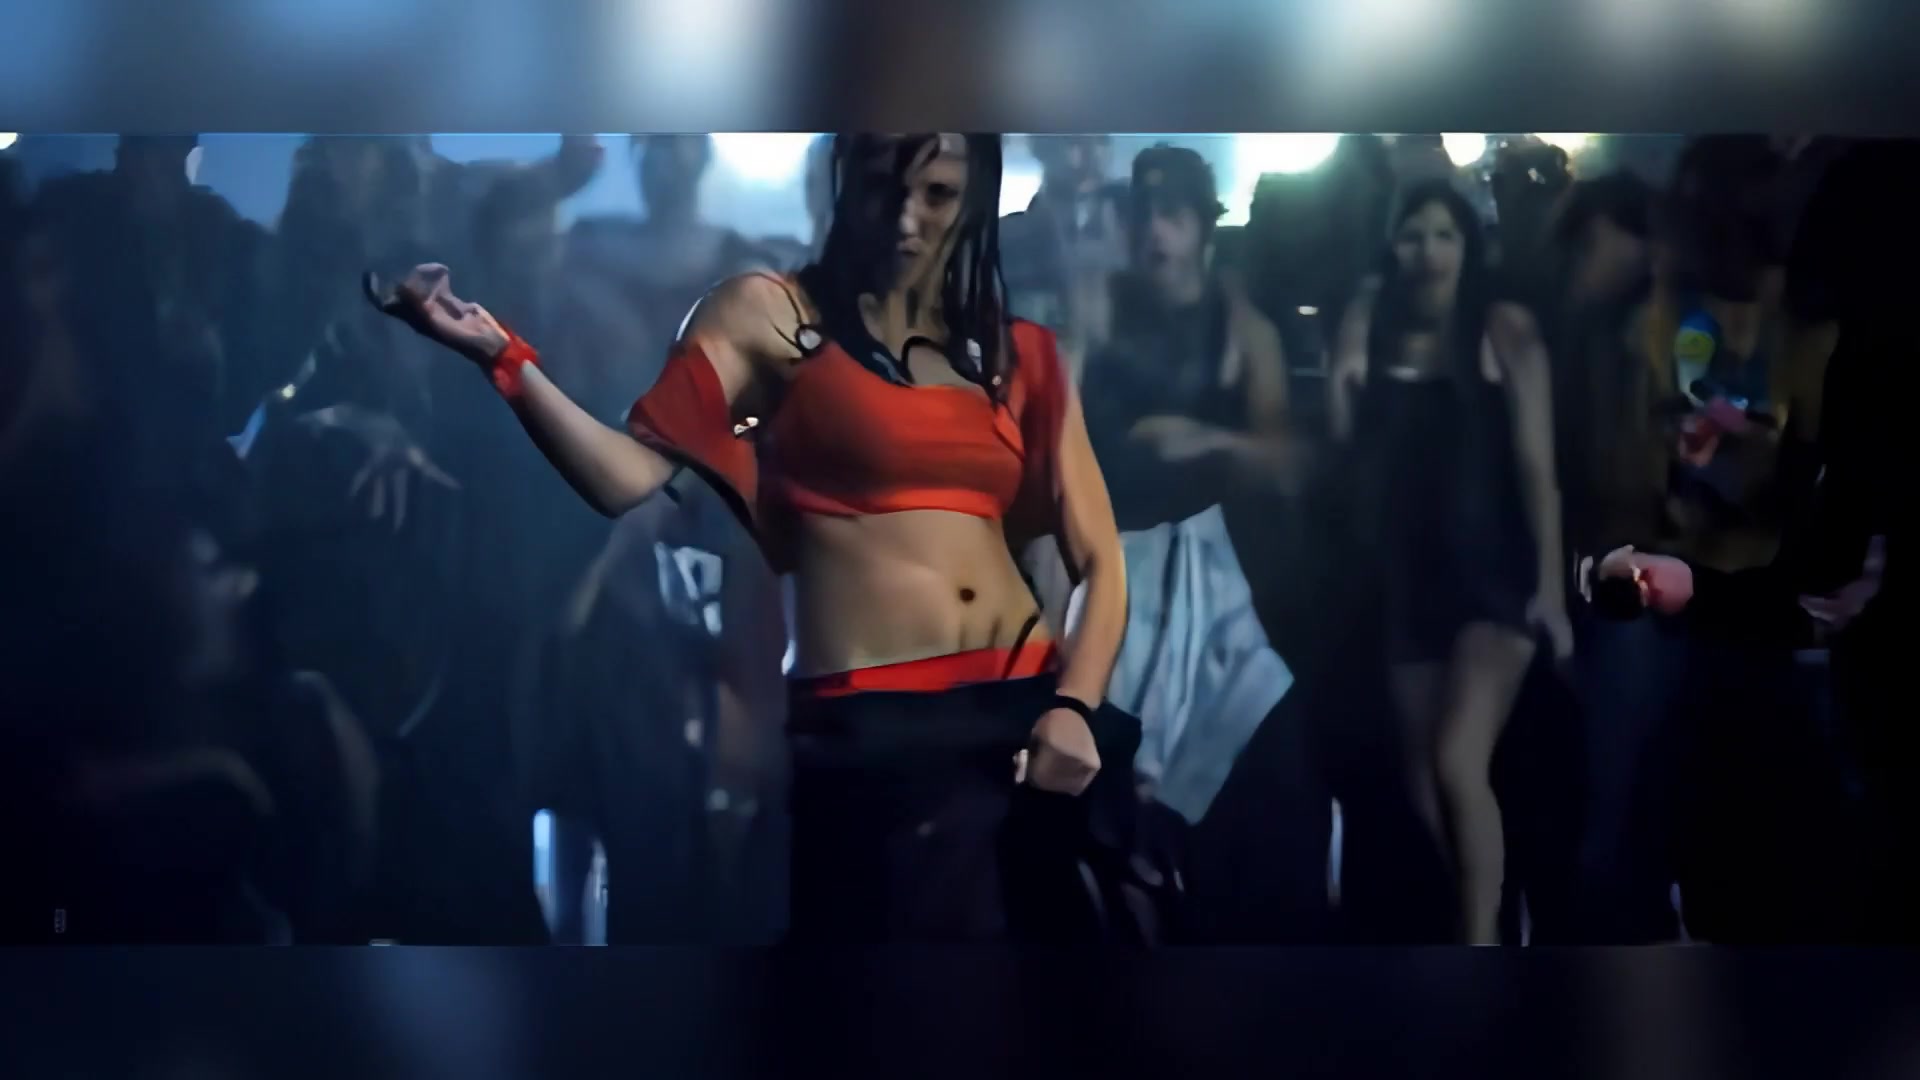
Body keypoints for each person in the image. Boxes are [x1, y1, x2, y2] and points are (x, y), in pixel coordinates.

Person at [369, 132, 1139, 944]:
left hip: (1022, 719)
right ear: (846, 184)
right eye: (885, 188)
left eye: (938, 195)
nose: (907, 218)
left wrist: (1075, 706)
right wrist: (502, 358)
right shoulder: (768, 316)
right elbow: (623, 477)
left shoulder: (1021, 354)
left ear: (972, 204)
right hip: (873, 732)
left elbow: (1099, 559)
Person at [1076, 143, 1328, 942]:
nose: (1157, 232)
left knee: (1253, 773)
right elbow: (1055, 433)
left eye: (1174, 214)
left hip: (1218, 581)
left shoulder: (1241, 328)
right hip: (1112, 572)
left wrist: (1202, 440)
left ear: (1202, 226)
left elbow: (1287, 460)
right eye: (1145, 215)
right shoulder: (1097, 311)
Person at [1328, 180, 1569, 944]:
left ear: (1468, 245)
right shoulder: (1377, 328)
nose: (1427, 251)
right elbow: (1345, 444)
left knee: (1457, 758)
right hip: (1409, 575)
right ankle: (1493, 907)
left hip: (1493, 574)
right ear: (1392, 247)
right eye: (1413, 235)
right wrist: (1346, 354)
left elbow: (1538, 467)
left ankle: (1483, 943)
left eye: (1444, 235)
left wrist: (1551, 588)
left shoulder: (1501, 327)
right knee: (1424, 783)